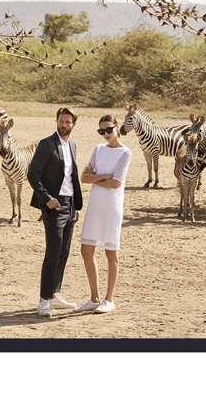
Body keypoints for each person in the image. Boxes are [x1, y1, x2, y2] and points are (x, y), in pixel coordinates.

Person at [27, 107, 84, 318]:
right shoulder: (46, 144)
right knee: (53, 251)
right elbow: (32, 173)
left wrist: (76, 207)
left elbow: (71, 177)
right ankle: (44, 300)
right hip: (54, 205)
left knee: (64, 251)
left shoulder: (73, 146)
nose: (64, 125)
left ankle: (54, 294)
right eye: (62, 121)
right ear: (56, 121)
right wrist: (47, 199)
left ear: (73, 124)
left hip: (69, 205)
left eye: (68, 122)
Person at [73, 115, 133, 314]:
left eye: (108, 129)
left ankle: (109, 299)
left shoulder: (126, 153)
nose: (106, 134)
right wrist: (102, 177)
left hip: (112, 207)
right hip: (95, 205)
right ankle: (94, 298)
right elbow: (83, 177)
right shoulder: (98, 149)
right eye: (101, 131)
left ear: (117, 127)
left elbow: (116, 183)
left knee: (110, 252)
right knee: (86, 251)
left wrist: (95, 179)